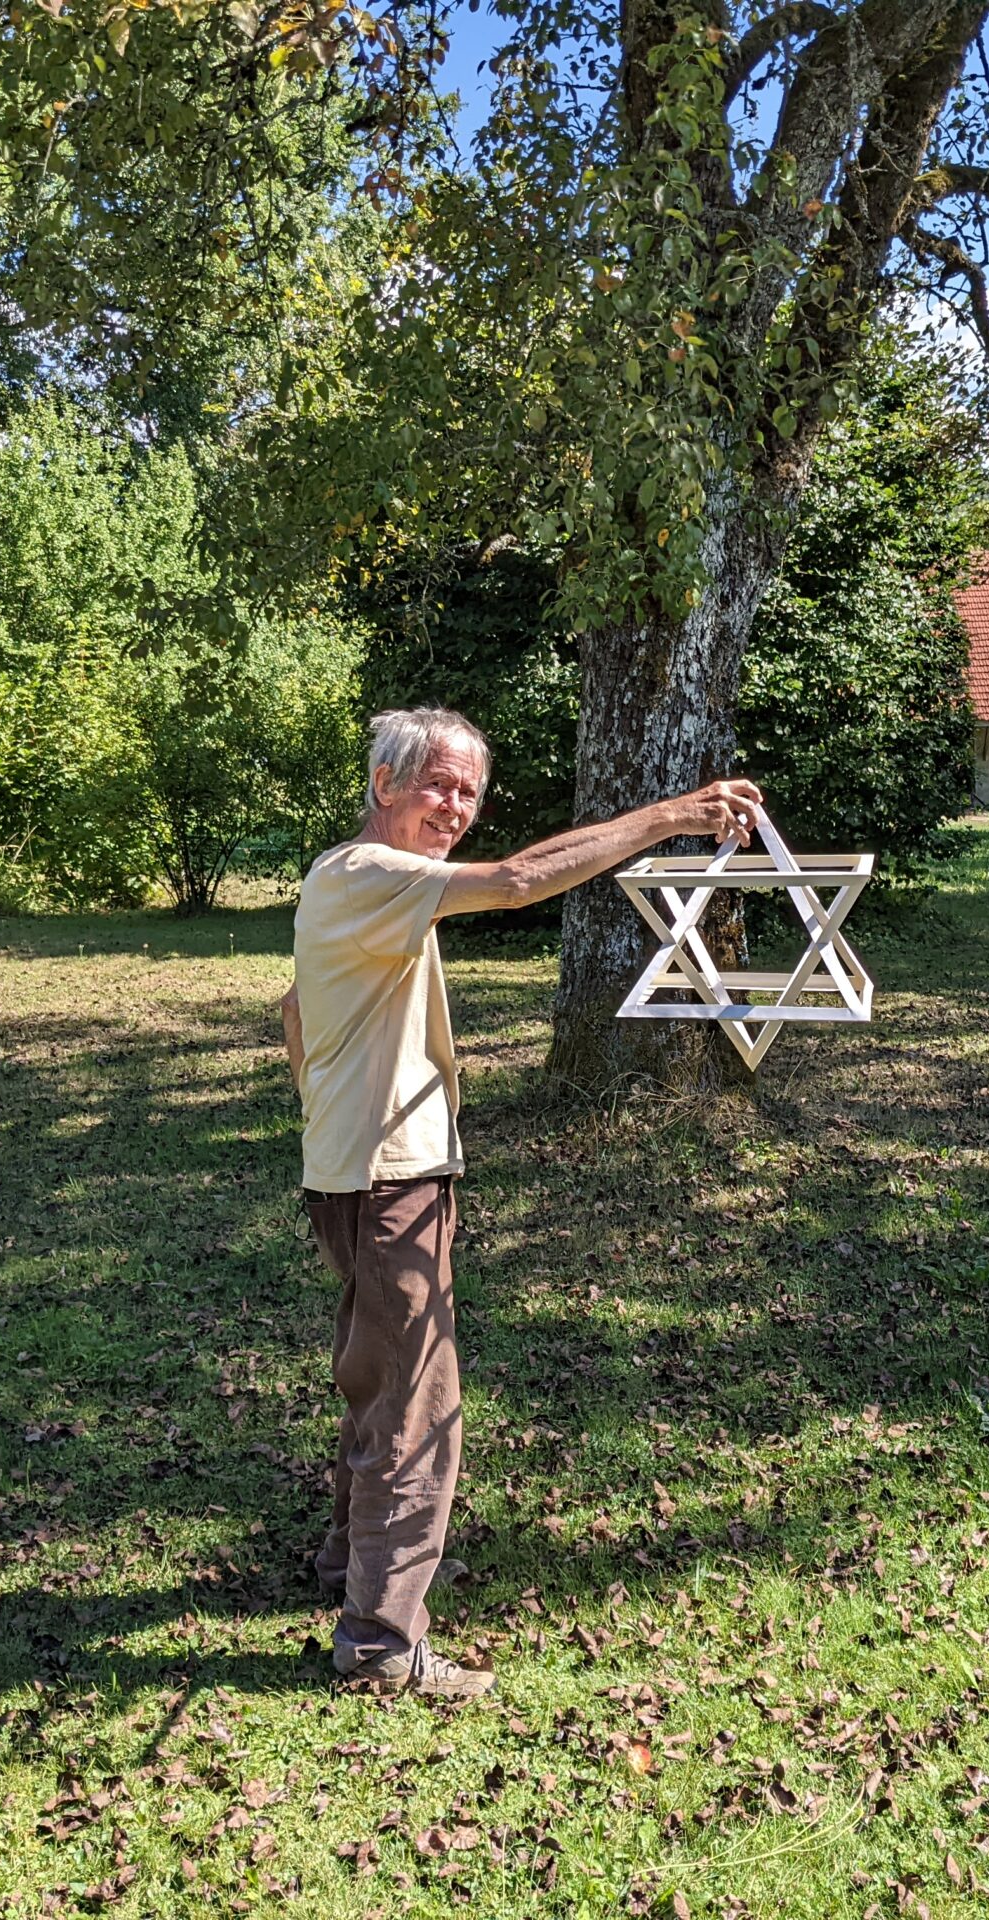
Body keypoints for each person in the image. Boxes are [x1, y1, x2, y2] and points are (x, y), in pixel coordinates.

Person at [280, 706, 760, 1698]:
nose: (456, 807)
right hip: (388, 1183)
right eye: (438, 786)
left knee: (376, 1379)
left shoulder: (349, 886)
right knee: (420, 1409)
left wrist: (332, 1109)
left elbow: (294, 1011)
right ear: (384, 785)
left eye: (469, 792)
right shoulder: (372, 875)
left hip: (354, 1175)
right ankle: (379, 1643)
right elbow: (515, 882)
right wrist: (672, 813)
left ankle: (349, 1567)